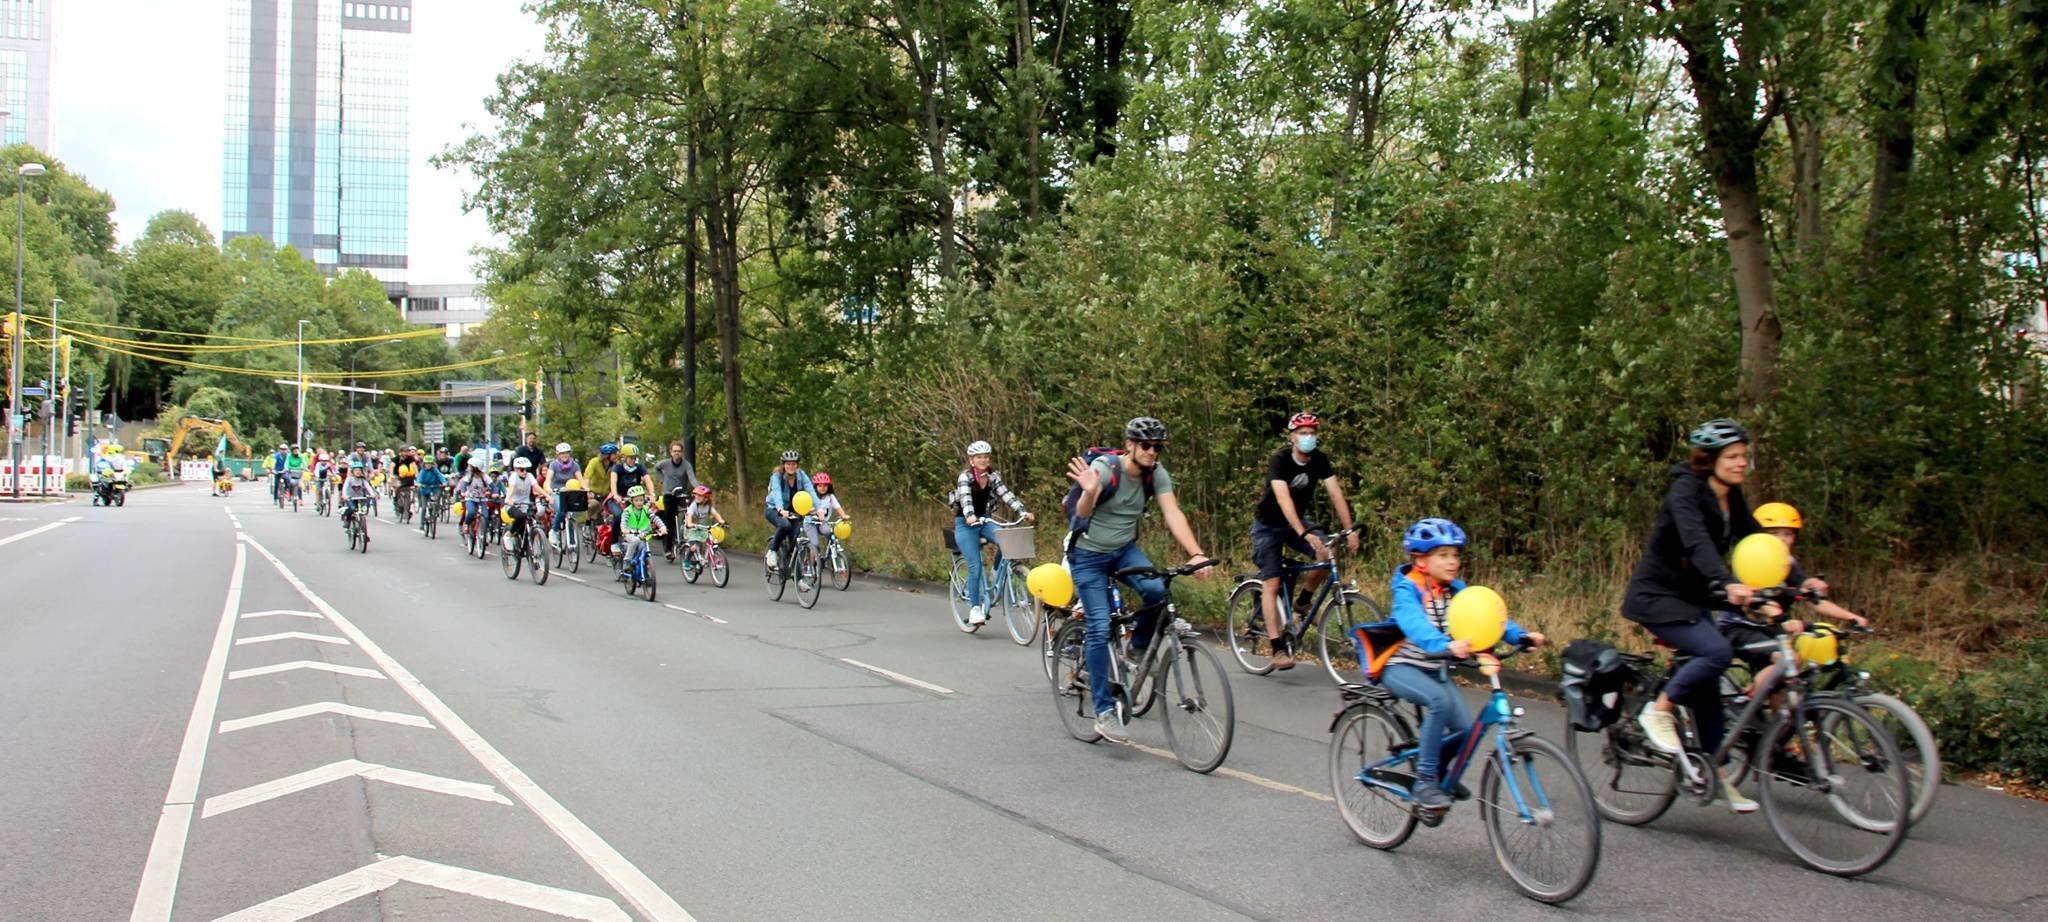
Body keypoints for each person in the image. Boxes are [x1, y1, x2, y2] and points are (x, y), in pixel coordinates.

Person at [1621, 418, 1762, 813]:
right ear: (1710, 459)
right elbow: (1696, 540)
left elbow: (1758, 541)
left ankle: (1712, 771)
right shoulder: (1685, 491)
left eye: (1744, 457)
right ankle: (1659, 709)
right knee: (1716, 653)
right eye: (1732, 457)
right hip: (1658, 597)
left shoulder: (1732, 497)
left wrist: (1799, 580)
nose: (1741, 464)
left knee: (1709, 692)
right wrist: (1725, 581)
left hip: (1694, 598)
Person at [1064, 417, 1213, 742]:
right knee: (1100, 626)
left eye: (1157, 447)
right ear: (1130, 445)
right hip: (1088, 555)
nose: (1152, 452)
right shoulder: (1106, 469)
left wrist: (1196, 553)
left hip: (1123, 550)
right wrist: (1089, 491)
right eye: (1146, 446)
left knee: (1158, 592)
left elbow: (1173, 513)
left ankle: (1137, 648)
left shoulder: (1155, 474)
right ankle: (1104, 712)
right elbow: (1083, 512)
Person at [1384, 518, 1546, 809]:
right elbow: (1414, 625)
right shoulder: (1407, 590)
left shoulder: (1454, 589)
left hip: (1436, 669)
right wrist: (1444, 644)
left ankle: (1438, 771)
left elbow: (1486, 616)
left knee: (1466, 732)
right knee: (1438, 702)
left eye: (1456, 555)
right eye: (1443, 555)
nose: (1452, 562)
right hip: (1401, 666)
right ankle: (1424, 780)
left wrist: (1520, 636)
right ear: (1421, 559)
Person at [1250, 412, 1360, 670]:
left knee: (1326, 552)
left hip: (1297, 522)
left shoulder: (1319, 459)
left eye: (1312, 433)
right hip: (1269, 526)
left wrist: (1350, 529)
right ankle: (1277, 648)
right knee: (1272, 582)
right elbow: (1283, 500)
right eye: (1303, 433)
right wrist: (1303, 533)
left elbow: (1335, 493)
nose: (1308, 437)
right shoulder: (1280, 460)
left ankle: (1303, 601)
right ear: (1292, 437)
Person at [950, 441, 1034, 627]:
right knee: (975, 567)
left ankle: (996, 573)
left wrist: (1022, 511)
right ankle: (975, 609)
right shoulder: (965, 477)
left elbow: (1007, 495)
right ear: (972, 460)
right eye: (979, 457)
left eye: (986, 457)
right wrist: (970, 516)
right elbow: (965, 498)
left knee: (1008, 540)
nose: (983, 460)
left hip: (985, 521)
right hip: (965, 524)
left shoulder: (993, 476)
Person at [762, 450, 818, 576]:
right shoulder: (777, 476)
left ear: (797, 465)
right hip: (773, 509)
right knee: (785, 525)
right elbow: (776, 493)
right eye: (788, 464)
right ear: (784, 465)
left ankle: (798, 577)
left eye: (793, 464)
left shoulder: (801, 476)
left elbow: (810, 491)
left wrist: (816, 508)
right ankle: (772, 551)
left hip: (792, 511)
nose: (791, 467)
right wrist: (781, 509)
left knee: (796, 538)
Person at [653, 441, 700, 559]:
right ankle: (668, 549)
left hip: (681, 494)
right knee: (670, 521)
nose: (676, 454)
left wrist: (699, 489)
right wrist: (662, 480)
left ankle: (688, 537)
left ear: (682, 453)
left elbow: (692, 478)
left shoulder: (686, 465)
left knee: (690, 513)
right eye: (674, 451)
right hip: (669, 495)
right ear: (671, 452)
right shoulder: (665, 464)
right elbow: (656, 467)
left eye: (679, 451)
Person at [608, 444, 651, 557]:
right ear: (624, 457)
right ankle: (614, 543)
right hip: (618, 499)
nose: (633, 460)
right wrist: (615, 494)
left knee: (645, 514)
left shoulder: (639, 467)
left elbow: (648, 480)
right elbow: (613, 482)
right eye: (630, 457)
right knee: (619, 515)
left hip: (633, 499)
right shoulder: (617, 468)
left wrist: (652, 493)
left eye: (634, 457)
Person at [617, 484, 665, 580]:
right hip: (631, 533)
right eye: (636, 500)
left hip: (644, 533)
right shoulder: (627, 511)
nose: (639, 502)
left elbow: (655, 518)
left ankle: (645, 568)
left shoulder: (646, 509)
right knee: (635, 541)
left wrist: (662, 527)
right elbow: (624, 521)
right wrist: (624, 529)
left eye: (641, 500)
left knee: (643, 547)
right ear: (631, 501)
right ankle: (627, 560)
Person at [502, 456, 550, 550]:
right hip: (512, 505)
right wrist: (509, 499)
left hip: (525, 505)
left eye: (526, 470)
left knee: (533, 520)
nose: (524, 472)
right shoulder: (513, 478)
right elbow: (511, 489)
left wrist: (547, 496)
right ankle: (509, 535)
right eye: (522, 470)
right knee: (521, 517)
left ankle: (528, 549)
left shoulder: (530, 476)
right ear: (516, 469)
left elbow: (536, 487)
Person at [806, 472, 853, 559]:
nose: (822, 488)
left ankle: (831, 555)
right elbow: (805, 509)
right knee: (815, 544)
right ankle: (810, 565)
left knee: (830, 533)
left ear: (828, 486)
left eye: (825, 486)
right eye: (820, 486)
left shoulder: (830, 497)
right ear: (815, 487)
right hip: (810, 523)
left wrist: (844, 515)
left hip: (822, 522)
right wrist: (813, 510)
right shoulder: (812, 497)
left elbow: (838, 507)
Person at [339, 459, 375, 535]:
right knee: (352, 509)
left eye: (359, 470)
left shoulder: (362, 480)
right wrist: (344, 495)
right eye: (356, 470)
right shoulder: (349, 479)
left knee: (361, 511)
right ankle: (347, 520)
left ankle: (362, 530)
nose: (358, 472)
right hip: (350, 498)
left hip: (360, 498)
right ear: (352, 471)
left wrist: (372, 494)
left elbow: (368, 487)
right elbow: (344, 487)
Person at [415, 454, 448, 532]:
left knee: (435, 501)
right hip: (424, 489)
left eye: (430, 463)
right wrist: (418, 484)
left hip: (434, 488)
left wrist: (444, 482)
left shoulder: (435, 470)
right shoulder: (423, 471)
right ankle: (422, 523)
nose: (428, 465)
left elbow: (440, 476)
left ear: (433, 464)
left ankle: (434, 512)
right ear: (424, 464)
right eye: (426, 463)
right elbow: (419, 478)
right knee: (423, 507)